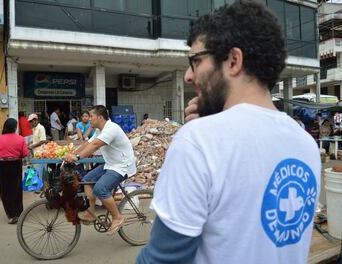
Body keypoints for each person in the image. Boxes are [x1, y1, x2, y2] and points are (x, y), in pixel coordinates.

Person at [137, 1, 321, 263]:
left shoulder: (198, 141)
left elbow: (162, 259)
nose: (189, 76)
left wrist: (208, 130)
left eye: (196, 61)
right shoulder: (305, 143)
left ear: (233, 60)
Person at [64, 105, 136, 235]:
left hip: (122, 165)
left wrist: (77, 157)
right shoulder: (99, 130)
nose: (89, 119)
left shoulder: (111, 128)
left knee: (100, 189)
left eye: (91, 116)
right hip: (110, 164)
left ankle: (117, 217)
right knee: (86, 180)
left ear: (100, 117)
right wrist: (72, 154)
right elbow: (88, 144)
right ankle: (91, 212)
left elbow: (96, 145)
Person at [0, 118, 28, 224]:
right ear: (14, 127)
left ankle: (11, 215)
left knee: (5, 190)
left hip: (3, 166)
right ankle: (19, 213)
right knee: (16, 189)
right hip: (16, 164)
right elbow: (24, 154)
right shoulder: (21, 139)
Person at [28, 113, 47, 184]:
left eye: (31, 121)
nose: (30, 123)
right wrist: (31, 144)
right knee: (38, 171)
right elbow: (36, 140)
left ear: (35, 121)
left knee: (40, 171)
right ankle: (39, 185)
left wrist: (32, 146)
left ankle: (40, 186)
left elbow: (43, 141)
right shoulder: (34, 129)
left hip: (41, 152)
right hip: (36, 152)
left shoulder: (41, 128)